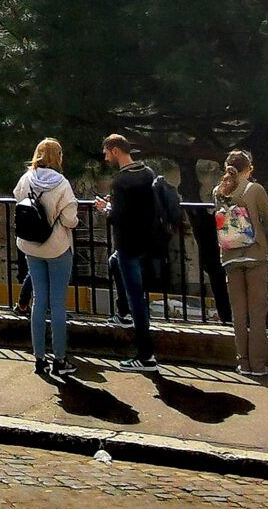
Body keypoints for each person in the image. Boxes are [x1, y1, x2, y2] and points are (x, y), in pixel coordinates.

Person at [93, 134, 169, 371]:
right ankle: (123, 311)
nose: (105, 158)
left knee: (138, 298)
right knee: (113, 262)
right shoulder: (147, 173)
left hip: (128, 244)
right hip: (147, 241)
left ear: (115, 150)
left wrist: (105, 209)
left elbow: (118, 217)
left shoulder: (121, 181)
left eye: (106, 153)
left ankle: (146, 356)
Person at [13, 137, 82, 379]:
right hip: (57, 248)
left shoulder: (26, 178)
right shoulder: (62, 184)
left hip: (31, 247)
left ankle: (39, 358)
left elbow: (17, 198)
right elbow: (70, 220)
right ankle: (60, 359)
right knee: (58, 303)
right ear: (58, 157)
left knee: (38, 300)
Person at [215, 150, 268, 377]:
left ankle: (242, 362)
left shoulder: (218, 191)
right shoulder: (254, 189)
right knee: (257, 313)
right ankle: (258, 365)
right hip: (255, 255)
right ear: (248, 168)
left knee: (238, 313)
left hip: (230, 256)